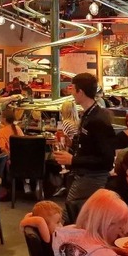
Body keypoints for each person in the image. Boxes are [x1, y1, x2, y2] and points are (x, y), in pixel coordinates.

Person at [53, 73, 117, 208]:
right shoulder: (89, 115)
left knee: (71, 213)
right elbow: (90, 146)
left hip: (92, 178)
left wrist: (72, 160)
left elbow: (106, 159)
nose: (72, 93)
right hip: (85, 174)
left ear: (80, 92)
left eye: (73, 89)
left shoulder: (97, 120)